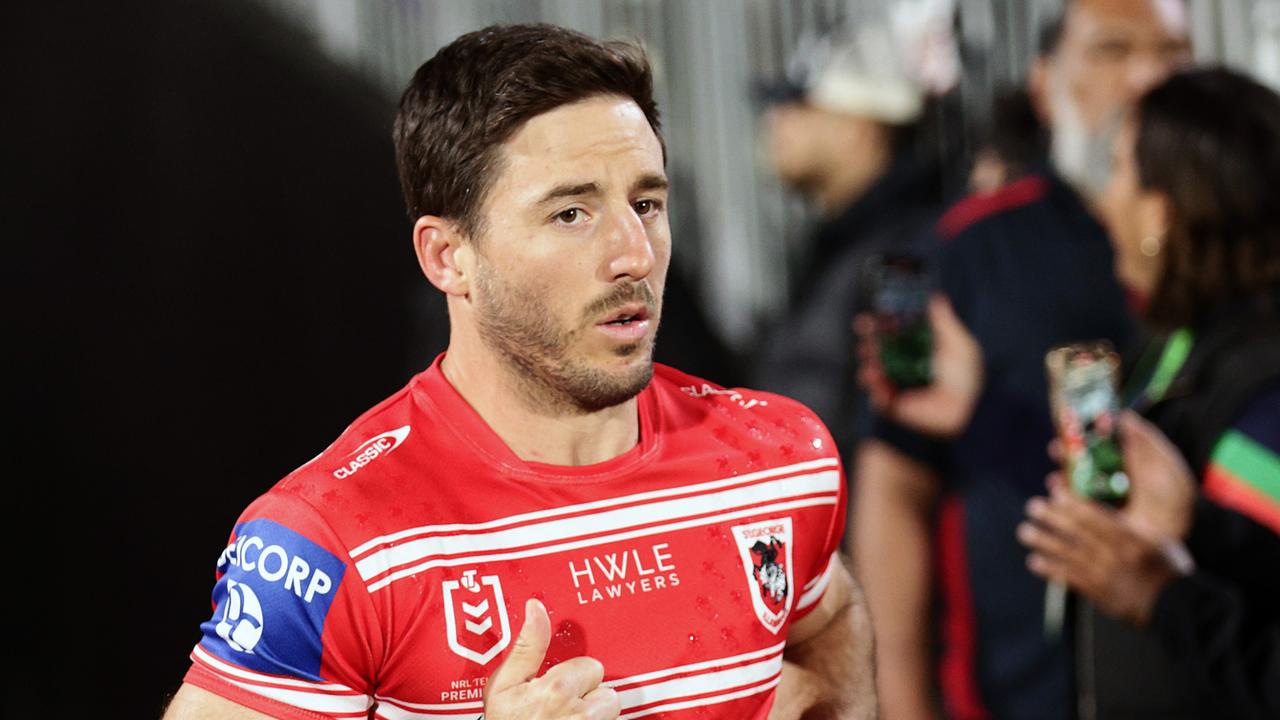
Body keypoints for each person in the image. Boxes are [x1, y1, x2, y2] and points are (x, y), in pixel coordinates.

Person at [161, 23, 875, 720]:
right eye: (571, 213)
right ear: (448, 257)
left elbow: (831, 613)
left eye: (647, 203)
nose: (634, 253)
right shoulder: (330, 541)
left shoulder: (778, 460)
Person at [851, 1, 1192, 718]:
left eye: (1172, 53)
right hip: (1016, 684)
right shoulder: (968, 248)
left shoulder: (1240, 251)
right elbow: (893, 480)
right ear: (1043, 83)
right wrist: (900, 700)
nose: (1146, 78)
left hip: (1208, 668)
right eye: (1110, 51)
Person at [1018, 66, 1280, 719]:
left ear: (1163, 210)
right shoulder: (1174, 345)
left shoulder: (1261, 387)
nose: (1104, 200)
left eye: (1121, 170)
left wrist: (1160, 592)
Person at [752, 13, 957, 464]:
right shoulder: (848, 244)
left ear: (861, 129)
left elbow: (899, 435)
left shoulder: (904, 254)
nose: (775, 121)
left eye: (803, 105)